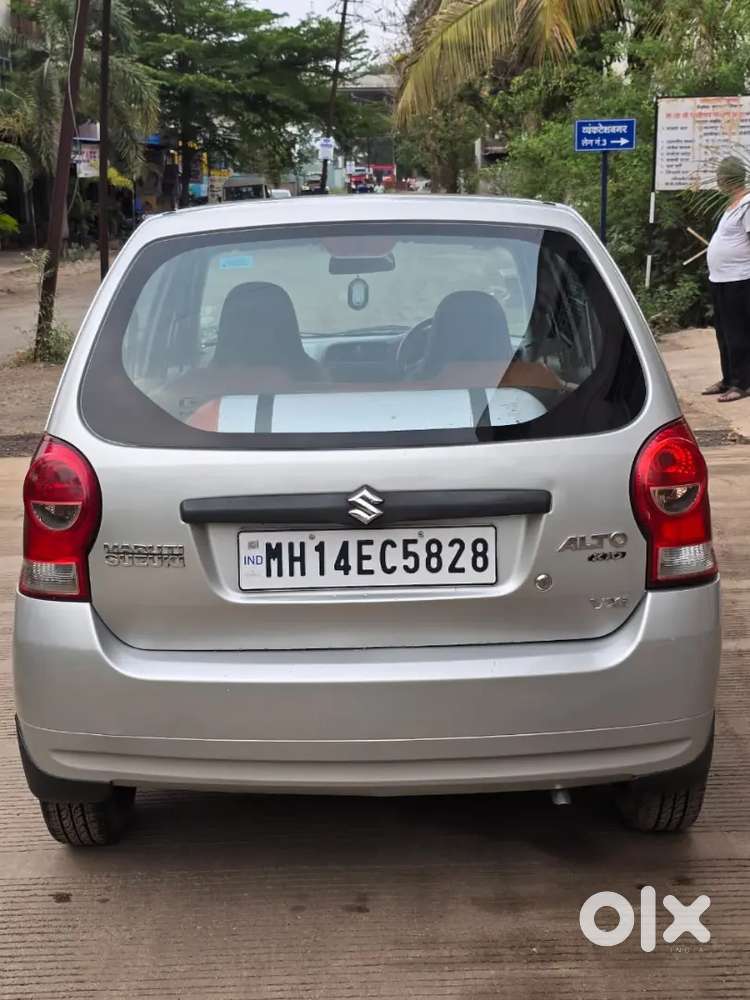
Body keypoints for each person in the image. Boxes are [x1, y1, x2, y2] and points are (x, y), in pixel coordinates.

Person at [704, 156, 750, 402]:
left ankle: (742, 383)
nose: (718, 181)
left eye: (721, 176)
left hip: (740, 278)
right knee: (722, 331)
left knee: (738, 332)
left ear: (727, 179)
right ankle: (728, 378)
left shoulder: (747, 204)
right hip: (720, 278)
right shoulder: (731, 205)